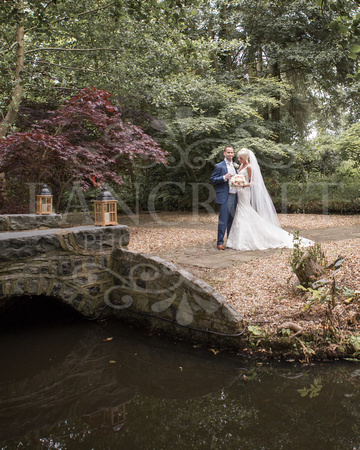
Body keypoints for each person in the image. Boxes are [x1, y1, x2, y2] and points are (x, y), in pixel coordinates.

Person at [226, 148, 313, 251]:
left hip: (245, 191)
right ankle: (238, 239)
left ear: (246, 158)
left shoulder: (249, 167)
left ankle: (249, 239)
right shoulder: (240, 166)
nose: (239, 159)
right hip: (239, 192)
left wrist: (243, 184)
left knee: (245, 210)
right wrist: (236, 182)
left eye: (241, 158)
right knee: (240, 211)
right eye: (239, 157)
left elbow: (255, 182)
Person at [210, 146, 238, 250]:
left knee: (232, 220)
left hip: (235, 196)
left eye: (231, 152)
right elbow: (212, 179)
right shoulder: (219, 166)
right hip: (225, 196)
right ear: (224, 153)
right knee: (223, 220)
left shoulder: (236, 166)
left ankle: (230, 241)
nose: (230, 154)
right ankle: (220, 242)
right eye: (228, 152)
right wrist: (223, 178)